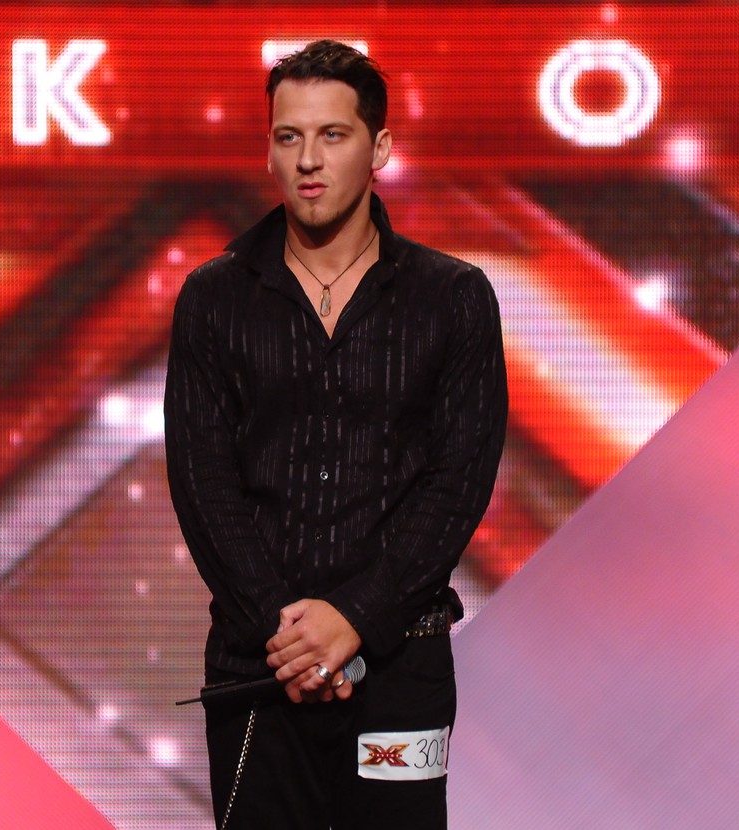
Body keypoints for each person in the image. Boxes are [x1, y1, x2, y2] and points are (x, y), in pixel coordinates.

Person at [164, 39, 507, 830]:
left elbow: (459, 482)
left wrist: (354, 616)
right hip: (259, 664)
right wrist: (287, 634)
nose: (308, 160)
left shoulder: (453, 297)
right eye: (289, 137)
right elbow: (202, 480)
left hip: (402, 665)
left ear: (379, 148)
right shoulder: (214, 298)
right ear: (270, 149)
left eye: (332, 135)